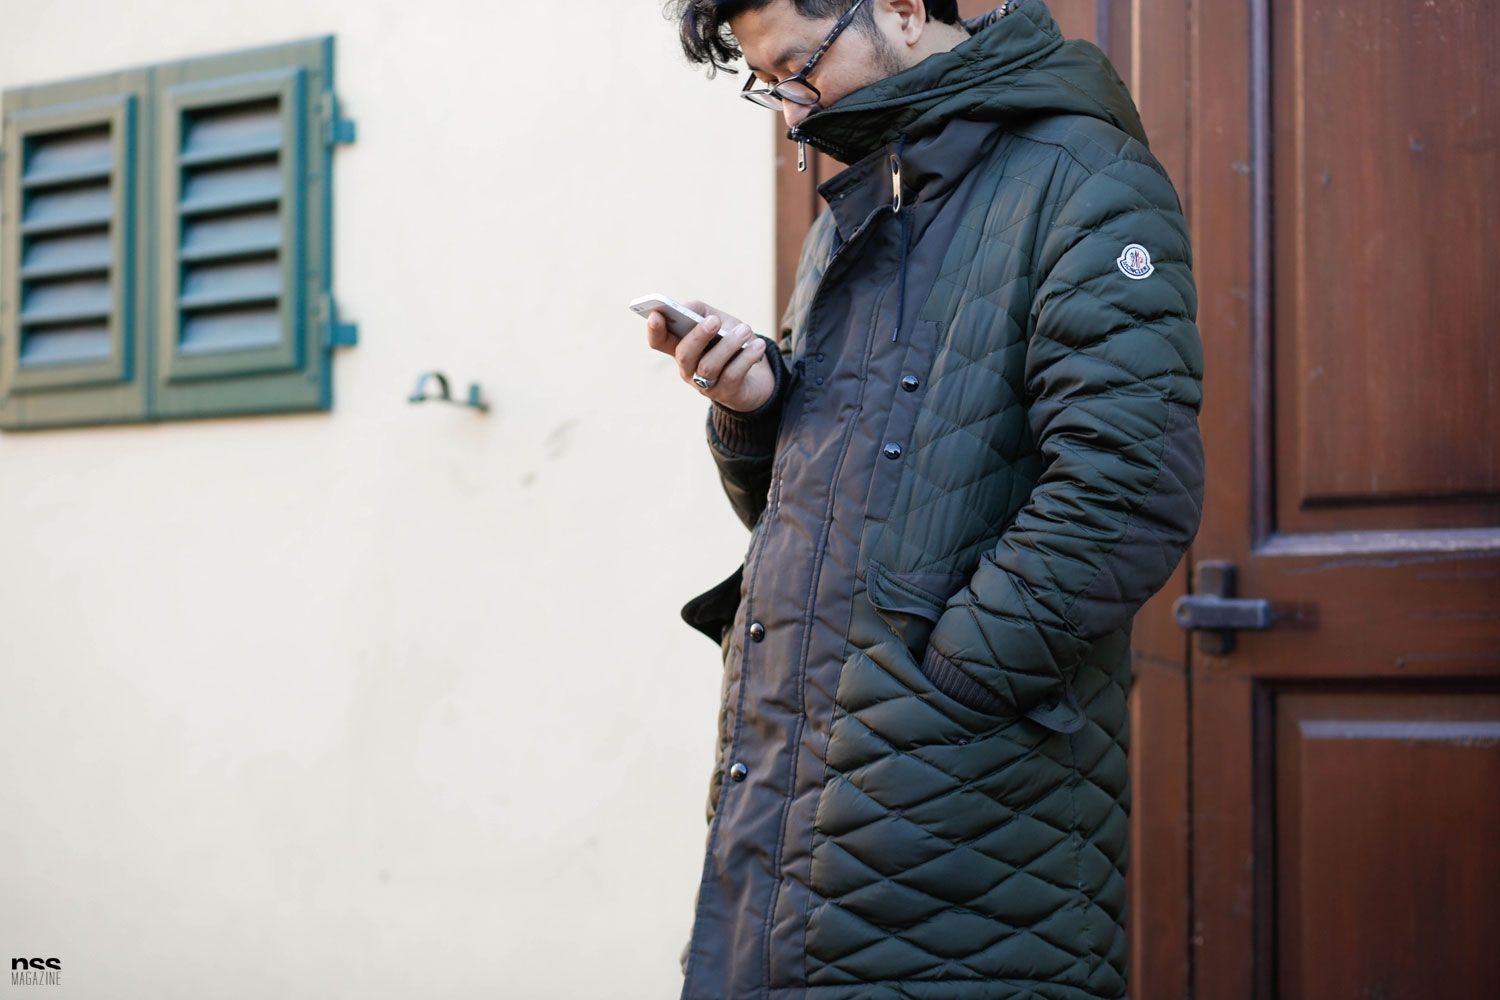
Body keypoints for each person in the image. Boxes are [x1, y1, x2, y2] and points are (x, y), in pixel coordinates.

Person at [645, 2, 1206, 997]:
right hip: (795, 776)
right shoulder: (864, 208)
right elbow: (832, 507)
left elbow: (1127, 481)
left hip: (964, 793)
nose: (793, 111)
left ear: (903, 10)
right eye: (769, 87)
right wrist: (756, 406)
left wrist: (948, 684)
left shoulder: (1084, 177)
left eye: (800, 69)